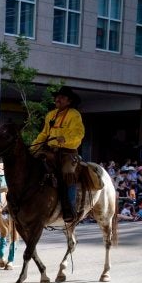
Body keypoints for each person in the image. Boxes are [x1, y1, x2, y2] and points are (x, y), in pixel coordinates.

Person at [32, 86, 85, 222]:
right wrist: (33, 147)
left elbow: (79, 134)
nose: (58, 99)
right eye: (57, 97)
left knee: (68, 172)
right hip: (50, 151)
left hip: (68, 152)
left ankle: (70, 208)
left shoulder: (74, 114)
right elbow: (44, 134)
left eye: (62, 97)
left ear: (69, 101)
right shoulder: (51, 115)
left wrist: (65, 139)